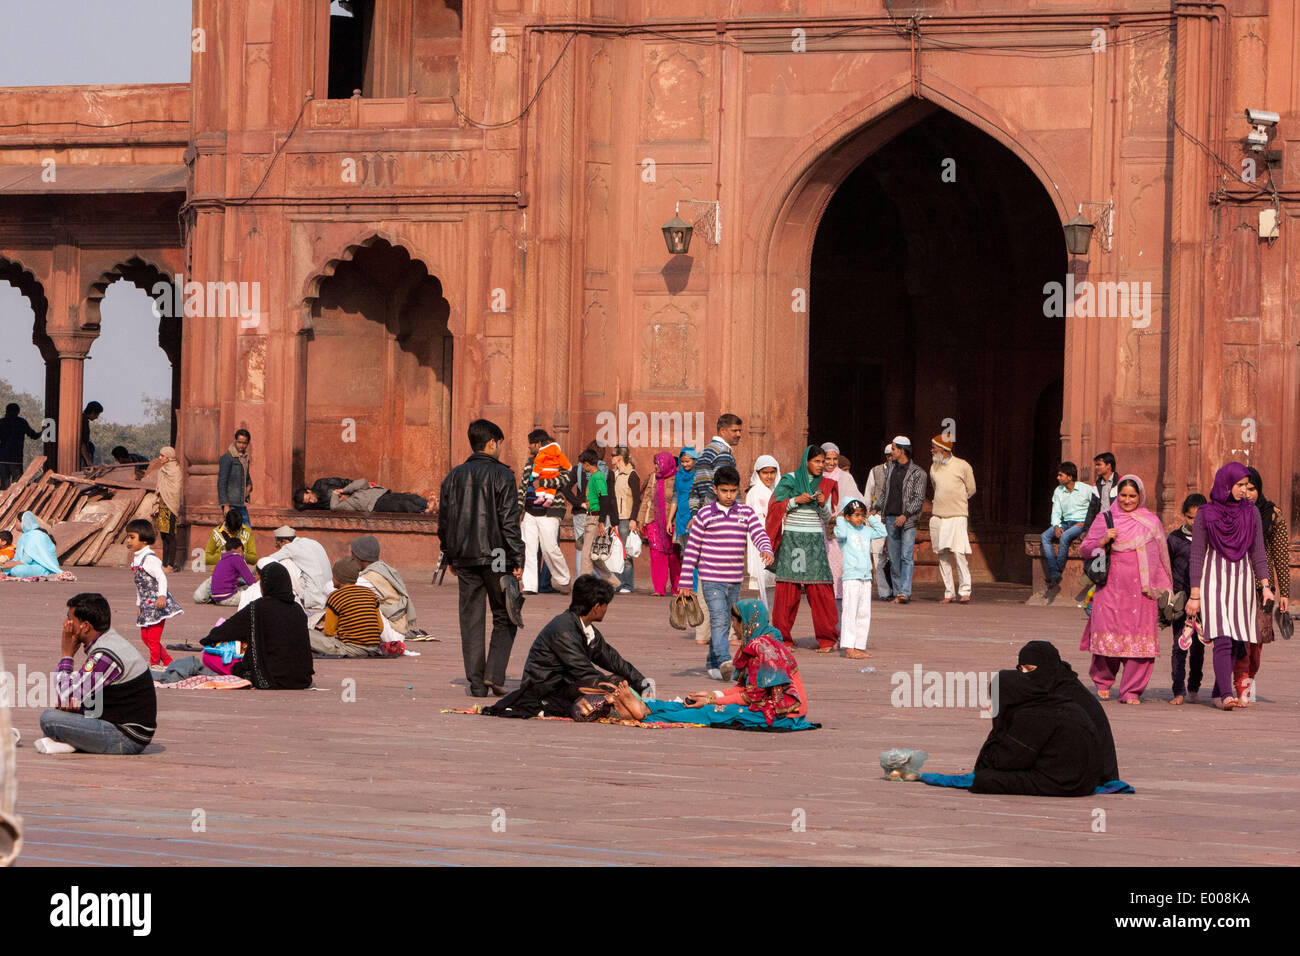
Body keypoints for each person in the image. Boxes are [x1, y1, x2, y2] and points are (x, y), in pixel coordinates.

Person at [439, 419, 526, 697]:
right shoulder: (502, 475)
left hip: (464, 556)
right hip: (498, 555)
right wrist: (518, 558)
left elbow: (444, 522)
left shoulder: (453, 476)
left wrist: (449, 554)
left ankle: (477, 683)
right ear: (492, 443)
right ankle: (494, 675)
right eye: (499, 443)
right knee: (506, 613)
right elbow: (509, 521)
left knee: (471, 619)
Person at [482, 575, 652, 718]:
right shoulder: (563, 630)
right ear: (596, 607)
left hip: (567, 683)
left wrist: (645, 686)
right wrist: (617, 690)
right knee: (605, 686)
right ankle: (633, 708)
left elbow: (614, 661)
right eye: (606, 604)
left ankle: (633, 705)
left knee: (617, 679)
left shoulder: (585, 629)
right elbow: (584, 671)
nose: (606, 609)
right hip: (545, 689)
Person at [1186, 462, 1275, 711]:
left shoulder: (1251, 513)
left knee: (1238, 639)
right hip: (1213, 579)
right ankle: (1226, 694)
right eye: (1239, 485)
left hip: (1243, 580)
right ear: (1226, 484)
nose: (1244, 490)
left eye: (1246, 486)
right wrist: (1195, 595)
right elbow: (1196, 554)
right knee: (1222, 638)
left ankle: (1217, 691)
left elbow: (1258, 552)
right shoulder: (1206, 513)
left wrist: (1266, 585)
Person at [646, 599, 814, 730]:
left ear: (747, 622)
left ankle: (646, 715)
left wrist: (711, 701)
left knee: (711, 712)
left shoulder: (762, 649)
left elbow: (751, 696)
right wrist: (713, 694)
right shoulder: (760, 642)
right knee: (698, 704)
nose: (733, 627)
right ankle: (650, 707)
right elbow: (747, 689)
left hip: (784, 716)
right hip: (769, 707)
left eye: (735, 621)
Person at [1077, 476, 1171, 704]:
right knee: (1107, 636)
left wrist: (1163, 589)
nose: (1127, 500)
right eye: (1123, 495)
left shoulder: (1151, 522)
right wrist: (1102, 540)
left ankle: (1131, 690)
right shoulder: (1105, 518)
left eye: (1132, 496)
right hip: (1111, 589)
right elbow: (1085, 549)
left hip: (1142, 593)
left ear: (1140, 497)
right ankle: (1103, 681)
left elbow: (1161, 558)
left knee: (1140, 642)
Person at [677, 466, 774, 680]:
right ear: (715, 490)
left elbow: (759, 533)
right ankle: (724, 660)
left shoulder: (745, 512)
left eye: (733, 491)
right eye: (724, 491)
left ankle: (712, 663)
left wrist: (766, 548)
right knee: (719, 619)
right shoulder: (704, 514)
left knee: (727, 621)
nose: (729, 496)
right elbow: (692, 549)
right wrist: (685, 583)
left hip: (734, 580)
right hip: (711, 579)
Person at [33, 593, 156, 756]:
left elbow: (65, 694)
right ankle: (71, 743)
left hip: (126, 738)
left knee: (49, 719)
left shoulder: (105, 655)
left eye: (70, 619)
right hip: (116, 721)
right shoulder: (109, 641)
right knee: (64, 712)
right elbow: (76, 694)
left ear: (85, 626)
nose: (66, 624)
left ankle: (71, 743)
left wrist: (67, 655)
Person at [160, 563, 315, 689]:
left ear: (267, 585)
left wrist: (208, 639)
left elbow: (227, 630)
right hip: (300, 679)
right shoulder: (297, 610)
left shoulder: (259, 608)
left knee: (209, 656)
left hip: (270, 676)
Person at [966, 657, 1103, 797]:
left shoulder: (1030, 716)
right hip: (1085, 782)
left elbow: (1001, 761)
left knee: (984, 780)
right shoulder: (1051, 702)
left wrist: (998, 723)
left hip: (1064, 783)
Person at [765, 446, 839, 649]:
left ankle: (827, 639)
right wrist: (795, 500)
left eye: (823, 462)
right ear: (806, 461)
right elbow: (775, 507)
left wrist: (823, 505)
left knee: (820, 589)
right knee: (787, 589)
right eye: (817, 461)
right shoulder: (789, 480)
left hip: (815, 541)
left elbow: (827, 519)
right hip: (793, 540)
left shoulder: (826, 484)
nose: (821, 466)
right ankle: (782, 638)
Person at [1015, 640, 1118, 782]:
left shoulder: (1068, 695)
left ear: (1046, 666)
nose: (1025, 675)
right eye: (1021, 670)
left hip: (1082, 775)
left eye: (1029, 669)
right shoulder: (1056, 685)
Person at [1236, 467, 1290, 704]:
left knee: (1256, 643)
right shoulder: (1228, 512)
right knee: (1238, 640)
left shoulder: (1273, 514)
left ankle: (1249, 678)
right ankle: (1241, 685)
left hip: (1262, 588)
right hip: (1234, 582)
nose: (1247, 493)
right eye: (1243, 487)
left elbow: (1280, 555)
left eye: (1252, 488)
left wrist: (1285, 593)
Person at [513, 429, 573, 594]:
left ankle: (563, 580)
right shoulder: (530, 463)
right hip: (530, 511)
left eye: (530, 445)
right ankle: (530, 586)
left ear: (538, 444)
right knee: (529, 549)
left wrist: (544, 482)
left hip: (550, 510)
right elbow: (523, 487)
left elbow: (567, 478)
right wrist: (518, 511)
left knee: (549, 548)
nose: (529, 448)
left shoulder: (557, 459)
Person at [342, 534, 428, 639]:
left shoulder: (369, 578)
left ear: (359, 557)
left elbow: (341, 593)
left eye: (352, 555)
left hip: (392, 631)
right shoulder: (382, 568)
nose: (351, 559)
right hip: (398, 627)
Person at [124, 519, 183, 670]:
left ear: (143, 540)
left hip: (157, 604)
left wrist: (162, 596)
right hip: (146, 605)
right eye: (128, 537)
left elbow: (161, 577)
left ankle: (155, 664)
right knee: (145, 637)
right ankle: (168, 660)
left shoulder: (150, 559)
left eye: (132, 537)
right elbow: (140, 586)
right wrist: (138, 604)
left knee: (153, 638)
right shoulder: (137, 560)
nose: (128, 541)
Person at [834, 498, 888, 659]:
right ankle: (849, 647)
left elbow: (882, 532)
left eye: (861, 515)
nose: (859, 518)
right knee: (850, 612)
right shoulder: (843, 530)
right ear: (847, 516)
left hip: (866, 576)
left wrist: (869, 516)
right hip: (851, 577)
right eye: (855, 515)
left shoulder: (866, 531)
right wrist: (841, 517)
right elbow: (841, 532)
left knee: (864, 613)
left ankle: (859, 645)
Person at [1167, 493, 1207, 705]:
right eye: (1191, 518)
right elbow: (1167, 567)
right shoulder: (1174, 539)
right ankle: (1178, 690)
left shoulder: (1211, 539)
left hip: (1202, 599)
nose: (1195, 523)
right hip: (1181, 598)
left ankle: (1194, 687)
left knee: (1199, 646)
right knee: (1179, 645)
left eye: (1199, 519)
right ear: (1184, 516)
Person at [876, 436, 926, 604]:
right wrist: (875, 507)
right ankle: (898, 592)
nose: (892, 452)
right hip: (890, 517)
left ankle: (905, 591)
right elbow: (884, 493)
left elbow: (918, 499)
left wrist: (905, 515)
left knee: (906, 556)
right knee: (894, 557)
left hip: (908, 520)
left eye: (894, 448)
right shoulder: (890, 468)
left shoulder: (918, 473)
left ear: (902, 450)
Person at [928, 434, 977, 604]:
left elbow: (971, 489)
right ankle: (949, 592)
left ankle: (965, 590)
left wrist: (957, 500)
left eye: (934, 447)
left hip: (957, 515)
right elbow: (936, 488)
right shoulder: (934, 467)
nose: (932, 450)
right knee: (942, 555)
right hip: (939, 514)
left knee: (959, 553)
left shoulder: (962, 465)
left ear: (943, 449)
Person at [309, 560, 392, 658]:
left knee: (306, 634)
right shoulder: (370, 594)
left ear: (338, 579)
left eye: (333, 576)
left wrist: (341, 634)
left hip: (349, 649)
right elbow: (380, 627)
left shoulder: (335, 597)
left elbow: (329, 632)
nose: (332, 579)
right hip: (373, 647)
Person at [1040, 461, 1094, 591]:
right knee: (1044, 537)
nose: (1058, 478)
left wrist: (1087, 523)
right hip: (1065, 523)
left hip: (1080, 523)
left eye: (1060, 475)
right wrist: (1056, 526)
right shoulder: (1058, 491)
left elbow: (1095, 508)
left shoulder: (1086, 489)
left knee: (1064, 538)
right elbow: (1056, 511)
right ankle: (1055, 573)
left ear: (1069, 477)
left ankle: (1056, 574)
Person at [264, 526, 333, 626]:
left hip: (313, 599)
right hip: (328, 594)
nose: (278, 549)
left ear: (284, 541)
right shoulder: (313, 542)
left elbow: (267, 561)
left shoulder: (289, 547)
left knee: (284, 563)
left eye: (278, 546)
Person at [636, 451, 679, 596]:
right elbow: (646, 499)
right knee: (656, 554)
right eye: (655, 463)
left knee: (674, 556)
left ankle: (676, 588)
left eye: (659, 464)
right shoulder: (653, 478)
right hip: (654, 521)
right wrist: (640, 519)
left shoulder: (677, 479)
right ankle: (659, 589)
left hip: (671, 522)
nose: (656, 467)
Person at [577, 448, 621, 587]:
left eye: (583, 464)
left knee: (586, 555)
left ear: (588, 464)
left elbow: (605, 499)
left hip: (595, 519)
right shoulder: (594, 477)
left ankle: (585, 586)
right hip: (591, 518)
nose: (582, 467)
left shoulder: (598, 477)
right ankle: (613, 582)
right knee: (593, 556)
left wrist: (601, 522)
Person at [744, 454, 780, 609]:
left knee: (770, 587)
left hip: (775, 540)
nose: (769, 476)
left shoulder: (776, 490)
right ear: (758, 473)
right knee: (762, 586)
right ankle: (760, 625)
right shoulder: (756, 491)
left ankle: (766, 624)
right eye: (765, 472)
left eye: (772, 472)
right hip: (760, 542)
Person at [688, 414, 742, 514]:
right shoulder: (723, 452)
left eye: (740, 431)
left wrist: (696, 514)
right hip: (719, 514)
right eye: (734, 430)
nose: (739, 434)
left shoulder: (704, 451)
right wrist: (707, 512)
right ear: (722, 431)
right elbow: (719, 484)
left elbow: (694, 487)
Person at [609, 446, 642, 594]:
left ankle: (627, 584)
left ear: (620, 458)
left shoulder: (632, 475)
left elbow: (636, 500)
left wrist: (633, 519)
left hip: (626, 518)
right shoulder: (614, 474)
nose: (611, 458)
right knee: (614, 551)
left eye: (613, 455)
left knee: (625, 553)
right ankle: (616, 582)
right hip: (615, 518)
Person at [298, 478, 432, 513]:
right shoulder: (320, 506)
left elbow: (347, 481)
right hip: (370, 503)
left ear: (309, 490)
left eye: (309, 498)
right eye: (308, 502)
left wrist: (344, 490)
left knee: (407, 497)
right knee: (403, 504)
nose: (311, 501)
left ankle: (428, 504)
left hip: (373, 494)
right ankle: (424, 509)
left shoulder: (321, 484)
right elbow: (334, 507)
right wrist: (335, 495)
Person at [865, 443, 894, 600]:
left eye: (893, 455)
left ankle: (897, 589)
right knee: (877, 555)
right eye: (889, 455)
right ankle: (884, 592)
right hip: (878, 517)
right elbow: (868, 495)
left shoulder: (903, 472)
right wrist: (867, 517)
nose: (891, 458)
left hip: (896, 517)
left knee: (896, 555)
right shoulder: (875, 471)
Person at [194, 537, 256, 606]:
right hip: (228, 597)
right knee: (255, 594)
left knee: (244, 587)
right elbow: (251, 581)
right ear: (240, 549)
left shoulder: (222, 560)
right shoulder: (237, 558)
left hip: (217, 598)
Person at [150, 446, 183, 571]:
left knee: (171, 535)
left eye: (162, 456)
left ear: (169, 457)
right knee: (163, 536)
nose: (160, 458)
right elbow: (159, 488)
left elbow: (175, 490)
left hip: (172, 506)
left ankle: (170, 564)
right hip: (163, 505)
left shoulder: (176, 471)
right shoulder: (162, 470)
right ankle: (164, 564)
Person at [1, 511, 60, 578]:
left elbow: (26, 560)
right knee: (7, 568)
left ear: (23, 522)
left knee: (16, 570)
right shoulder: (25, 536)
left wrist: (6, 565)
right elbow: (18, 558)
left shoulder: (35, 535)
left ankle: (46, 573)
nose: (15, 524)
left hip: (43, 567)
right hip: (29, 565)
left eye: (17, 521)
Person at [217, 428, 253, 526]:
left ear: (247, 443)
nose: (241, 445)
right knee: (232, 531)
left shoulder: (244, 458)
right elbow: (222, 482)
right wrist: (225, 505)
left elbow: (247, 477)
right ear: (235, 441)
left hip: (240, 502)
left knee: (246, 531)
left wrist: (249, 487)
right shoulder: (227, 458)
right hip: (230, 503)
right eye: (239, 442)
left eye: (244, 443)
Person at [0, 402, 40, 489]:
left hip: (2, 460)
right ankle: (14, 501)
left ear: (6, 411)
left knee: (4, 485)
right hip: (16, 460)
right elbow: (34, 436)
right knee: (16, 486)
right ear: (18, 412)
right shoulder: (22, 422)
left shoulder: (1, 422)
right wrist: (43, 431)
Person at [1082, 451, 1119, 531]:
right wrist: (1086, 530)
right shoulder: (1097, 485)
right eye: (1095, 465)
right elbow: (1092, 509)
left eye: (1099, 465)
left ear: (1108, 465)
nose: (1096, 467)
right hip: (1100, 523)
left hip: (1117, 523)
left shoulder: (1120, 482)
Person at [79, 401, 102, 470]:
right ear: (93, 412)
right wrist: (88, 461)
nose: (97, 417)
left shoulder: (83, 419)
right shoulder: (83, 422)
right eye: (97, 414)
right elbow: (82, 443)